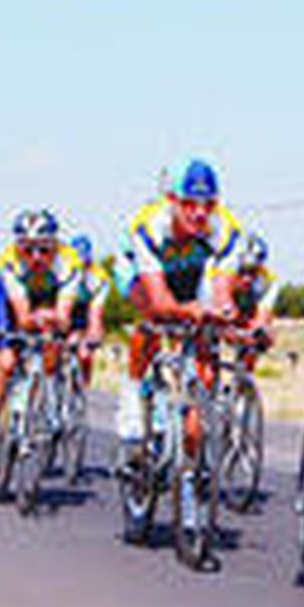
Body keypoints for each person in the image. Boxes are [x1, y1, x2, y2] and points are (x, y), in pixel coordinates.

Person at [114, 156, 244, 470]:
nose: (200, 213)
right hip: (141, 270)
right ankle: (132, 394)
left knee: (204, 336)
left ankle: (189, 447)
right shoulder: (149, 225)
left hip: (188, 269)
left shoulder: (226, 230)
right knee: (155, 318)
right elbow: (159, 301)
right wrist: (191, 310)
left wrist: (222, 313)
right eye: (190, 204)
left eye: (208, 204)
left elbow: (222, 293)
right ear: (172, 201)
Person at [0, 209, 80, 479]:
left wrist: (54, 321)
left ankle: (45, 402)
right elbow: (22, 316)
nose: (36, 258)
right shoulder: (10, 261)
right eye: (27, 250)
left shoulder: (70, 262)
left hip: (50, 300)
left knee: (54, 347)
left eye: (44, 249)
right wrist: (35, 319)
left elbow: (64, 317)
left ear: (56, 245)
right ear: (18, 248)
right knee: (6, 362)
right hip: (14, 305)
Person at [226, 232, 278, 365]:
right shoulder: (223, 275)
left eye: (252, 271)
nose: (247, 279)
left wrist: (258, 333)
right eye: (242, 271)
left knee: (260, 337)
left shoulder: (268, 282)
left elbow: (262, 317)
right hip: (229, 308)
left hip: (250, 312)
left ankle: (244, 378)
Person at [67, 233, 111, 385]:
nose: (80, 267)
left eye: (84, 263)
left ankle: (83, 388)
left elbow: (96, 313)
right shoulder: (61, 271)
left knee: (84, 354)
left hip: (85, 310)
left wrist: (94, 334)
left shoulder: (99, 277)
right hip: (65, 308)